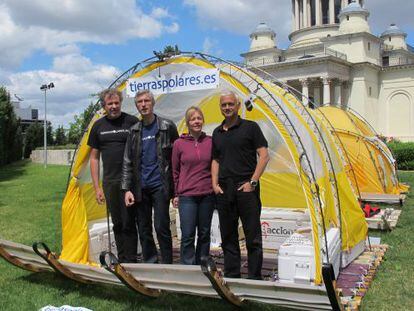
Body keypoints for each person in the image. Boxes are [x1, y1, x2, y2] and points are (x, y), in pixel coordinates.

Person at [211, 90, 269, 279]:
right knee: (228, 237)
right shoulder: (217, 132)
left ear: (238, 106)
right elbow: (216, 160)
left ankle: (254, 278)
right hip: (224, 189)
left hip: (246, 188)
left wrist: (252, 182)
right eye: (223, 105)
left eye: (230, 104)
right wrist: (214, 184)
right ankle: (232, 276)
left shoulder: (250, 128)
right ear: (220, 107)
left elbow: (264, 155)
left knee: (252, 237)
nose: (227, 107)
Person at [121, 90, 179, 264]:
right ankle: (151, 263)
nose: (144, 104)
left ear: (153, 103)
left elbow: (176, 158)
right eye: (140, 102)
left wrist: (175, 189)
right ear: (137, 106)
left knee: (161, 227)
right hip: (140, 187)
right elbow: (127, 161)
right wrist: (126, 189)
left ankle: (168, 264)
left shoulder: (167, 126)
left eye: (147, 101)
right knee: (144, 229)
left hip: (160, 186)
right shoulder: (134, 131)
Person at [87, 88, 139, 263]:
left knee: (129, 222)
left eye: (117, 103)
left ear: (121, 103)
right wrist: (97, 188)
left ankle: (132, 260)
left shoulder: (132, 122)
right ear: (104, 106)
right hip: (110, 182)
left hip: (130, 182)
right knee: (117, 223)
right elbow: (94, 158)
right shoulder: (98, 126)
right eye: (110, 104)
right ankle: (122, 261)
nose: (114, 106)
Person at [172, 106, 215, 265]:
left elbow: (215, 166)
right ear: (188, 122)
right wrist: (176, 194)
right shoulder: (179, 143)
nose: (196, 121)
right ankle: (188, 268)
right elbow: (175, 171)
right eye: (193, 119)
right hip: (187, 196)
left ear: (203, 121)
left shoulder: (210, 141)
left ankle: (202, 265)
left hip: (207, 195)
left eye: (199, 118)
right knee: (188, 234)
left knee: (204, 234)